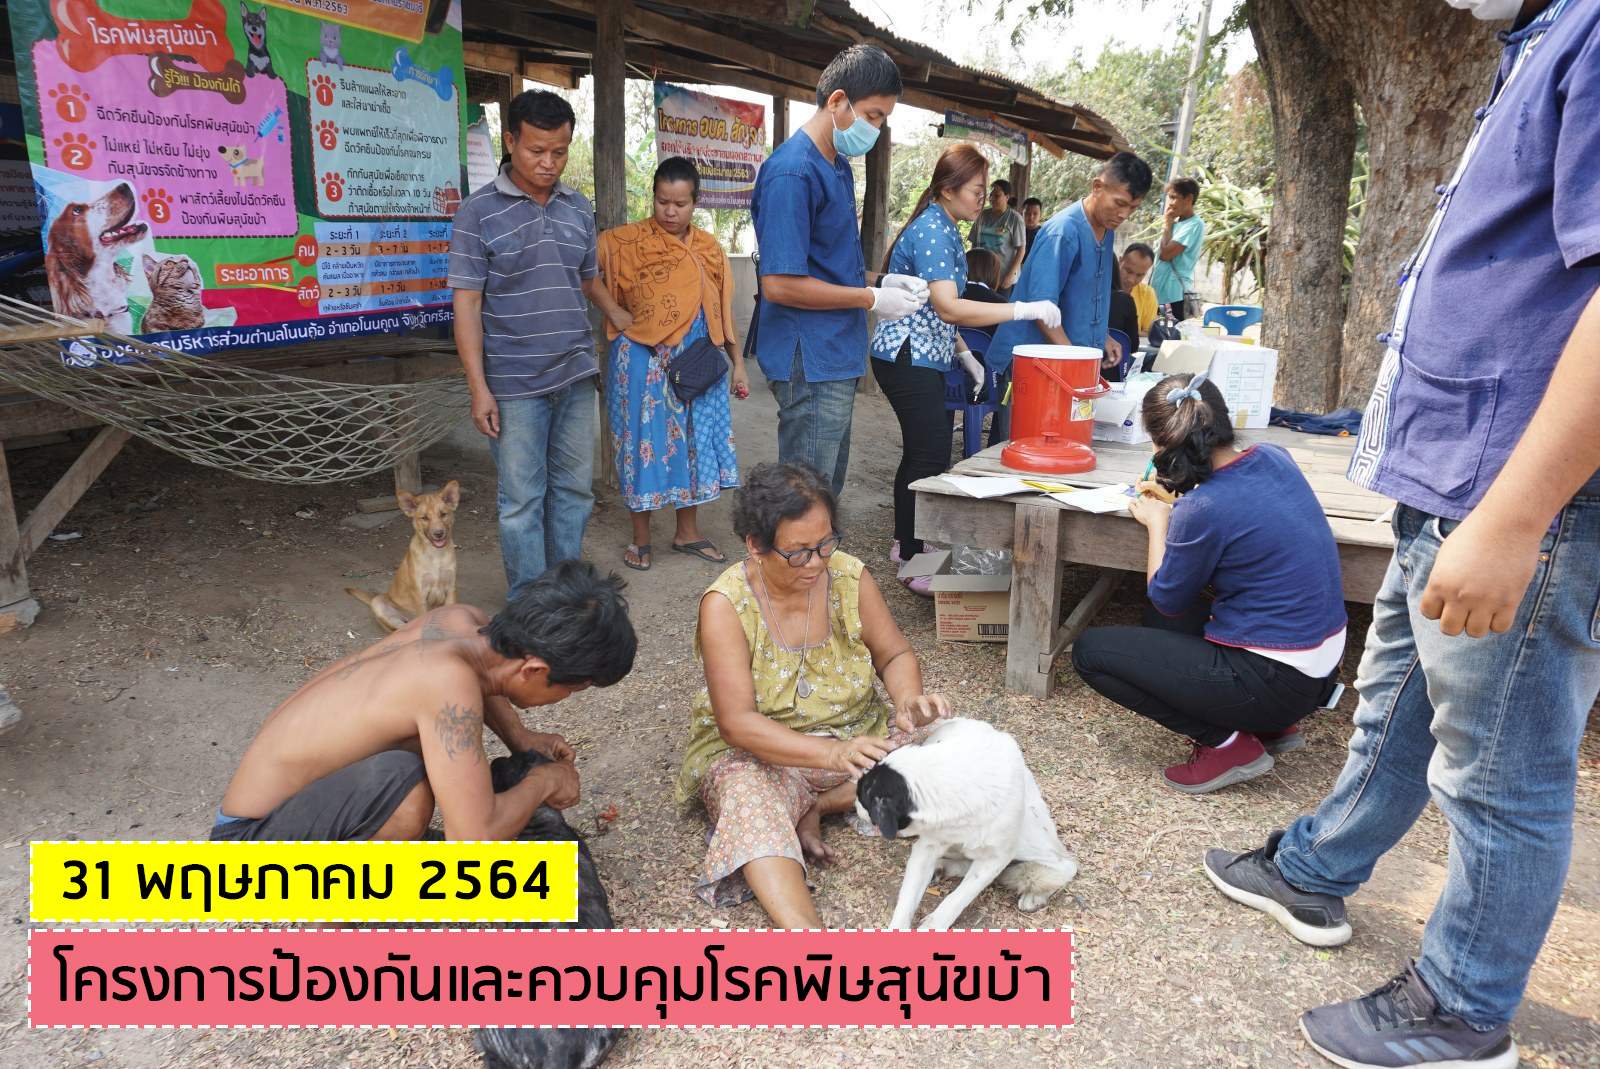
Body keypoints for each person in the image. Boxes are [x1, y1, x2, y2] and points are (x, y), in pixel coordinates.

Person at [1203, 1, 1600, 1066]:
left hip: (1521, 492)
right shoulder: (1545, 37)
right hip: (1454, 474)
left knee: (1500, 768)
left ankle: (1463, 1007)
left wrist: (1515, 517)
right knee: (1395, 706)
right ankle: (1314, 869)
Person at [677, 463, 953, 926]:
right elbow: (737, 723)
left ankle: (819, 805)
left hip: (855, 741)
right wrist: (831, 754)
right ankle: (810, 943)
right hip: (765, 755)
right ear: (755, 545)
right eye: (798, 552)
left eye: (826, 543)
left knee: (944, 747)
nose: (817, 562)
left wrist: (908, 700)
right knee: (747, 795)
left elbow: (893, 654)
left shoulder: (849, 576)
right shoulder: (726, 604)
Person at [211, 562, 637, 842]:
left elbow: (484, 680)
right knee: (407, 791)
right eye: (570, 690)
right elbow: (473, 840)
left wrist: (520, 738)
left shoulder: (458, 621)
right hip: (247, 851)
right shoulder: (446, 682)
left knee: (416, 772)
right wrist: (547, 780)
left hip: (274, 811)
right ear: (534, 669)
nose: (562, 699)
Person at [1071, 373, 1345, 792]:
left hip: (1276, 682)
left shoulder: (1202, 507)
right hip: (1317, 670)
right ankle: (1271, 726)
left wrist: (1160, 522)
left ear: (1162, 445)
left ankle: (1228, 743)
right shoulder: (1274, 457)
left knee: (1091, 652)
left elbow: (1166, 597)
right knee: (1161, 624)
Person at [450, 90, 633, 596]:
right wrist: (478, 388)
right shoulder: (477, 213)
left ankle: (565, 598)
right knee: (522, 502)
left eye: (559, 151)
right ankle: (529, 607)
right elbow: (467, 305)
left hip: (574, 375)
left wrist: (619, 315)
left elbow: (586, 279)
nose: (549, 163)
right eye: (536, 150)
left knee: (573, 492)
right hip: (514, 384)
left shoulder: (577, 208)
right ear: (510, 141)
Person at [869, 144, 1061, 593]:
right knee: (930, 452)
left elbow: (936, 309)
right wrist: (1021, 310)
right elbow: (949, 307)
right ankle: (912, 558)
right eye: (976, 190)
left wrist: (962, 354)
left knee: (924, 450)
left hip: (924, 353)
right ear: (948, 189)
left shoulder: (946, 227)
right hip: (907, 356)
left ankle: (906, 542)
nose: (983, 199)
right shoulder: (934, 230)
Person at [750, 45, 926, 499]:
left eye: (882, 119)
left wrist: (880, 281)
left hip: (835, 352)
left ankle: (819, 547)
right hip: (809, 358)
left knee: (826, 489)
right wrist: (871, 299)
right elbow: (780, 284)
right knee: (805, 499)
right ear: (837, 101)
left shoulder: (838, 167)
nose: (876, 129)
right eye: (872, 115)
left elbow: (829, 267)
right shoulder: (793, 172)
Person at [596, 157, 747, 572]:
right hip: (642, 360)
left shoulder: (709, 249)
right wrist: (614, 311)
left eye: (680, 203)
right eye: (663, 201)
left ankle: (687, 532)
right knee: (640, 442)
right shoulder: (624, 242)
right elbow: (585, 272)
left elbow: (723, 310)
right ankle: (641, 538)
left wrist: (738, 363)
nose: (670, 211)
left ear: (695, 202)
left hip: (697, 362)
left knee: (694, 442)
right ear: (653, 198)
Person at [988, 151, 1154, 419]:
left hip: (1067, 361)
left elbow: (1085, 297)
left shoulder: (1106, 230)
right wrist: (1077, 361)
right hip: (1034, 362)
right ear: (1097, 187)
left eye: (1133, 208)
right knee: (1025, 439)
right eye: (1119, 203)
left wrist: (1102, 336)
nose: (1124, 214)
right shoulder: (1063, 231)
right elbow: (1042, 309)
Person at [1151, 176, 1204, 322]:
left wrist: (1168, 225)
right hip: (1159, 293)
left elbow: (1165, 255)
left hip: (1174, 296)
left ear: (1189, 198)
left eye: (1174, 197)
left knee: (1171, 332)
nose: (1170, 203)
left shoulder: (1194, 225)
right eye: (1170, 198)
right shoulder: (1176, 224)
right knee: (1156, 332)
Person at [968, 179, 1026, 295]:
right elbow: (974, 244)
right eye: (991, 195)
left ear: (1007, 197)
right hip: (981, 276)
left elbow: (1021, 250)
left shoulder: (1015, 219)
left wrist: (1011, 274)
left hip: (1003, 277)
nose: (992, 198)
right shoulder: (982, 215)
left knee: (1000, 305)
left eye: (997, 195)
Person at [1120, 242, 1159, 337]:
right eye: (1128, 271)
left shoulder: (1148, 294)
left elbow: (1148, 332)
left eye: (1139, 275)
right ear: (1120, 261)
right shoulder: (1100, 288)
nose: (1131, 280)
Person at [1021, 196, 1044, 262]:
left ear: (1040, 215)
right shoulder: (1016, 231)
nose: (1031, 217)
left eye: (1035, 214)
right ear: (1022, 214)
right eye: (1027, 213)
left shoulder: (1044, 234)